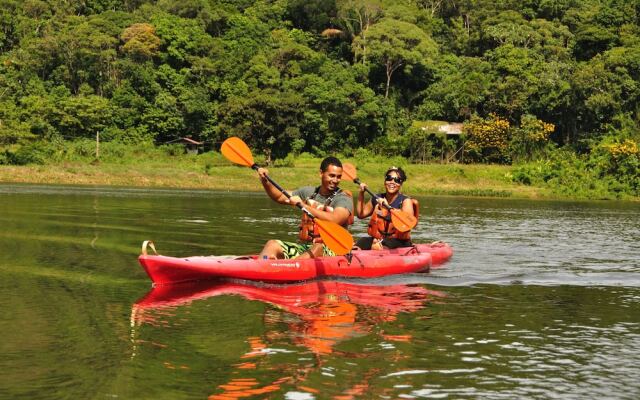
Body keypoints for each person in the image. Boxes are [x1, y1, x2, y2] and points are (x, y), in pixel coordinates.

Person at [256, 157, 354, 259]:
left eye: (338, 177)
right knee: (272, 244)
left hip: (335, 251)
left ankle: (287, 267)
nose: (335, 180)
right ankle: (260, 268)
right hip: (307, 247)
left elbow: (335, 219)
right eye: (332, 176)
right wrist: (265, 181)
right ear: (321, 173)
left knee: (318, 248)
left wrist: (304, 205)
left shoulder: (343, 198)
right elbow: (279, 197)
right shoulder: (308, 192)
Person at [355, 166, 418, 250]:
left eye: (397, 180)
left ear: (401, 184)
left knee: (386, 244)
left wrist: (387, 207)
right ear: (385, 181)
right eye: (389, 178)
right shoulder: (377, 198)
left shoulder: (405, 201)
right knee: (362, 241)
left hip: (399, 242)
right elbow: (361, 214)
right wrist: (361, 194)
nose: (392, 182)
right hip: (379, 239)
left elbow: (407, 224)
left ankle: (377, 249)